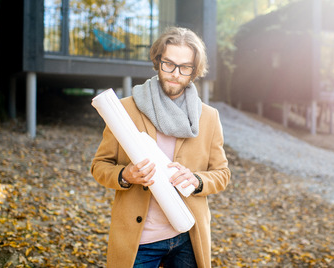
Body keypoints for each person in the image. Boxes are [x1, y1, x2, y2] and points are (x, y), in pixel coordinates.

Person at [91, 26, 231, 268]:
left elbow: (222, 174)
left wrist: (197, 180)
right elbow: (99, 166)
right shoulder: (124, 110)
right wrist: (125, 175)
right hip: (139, 240)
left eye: (185, 67)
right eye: (169, 64)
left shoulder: (208, 117)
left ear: (194, 71)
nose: (175, 73)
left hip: (188, 234)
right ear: (157, 61)